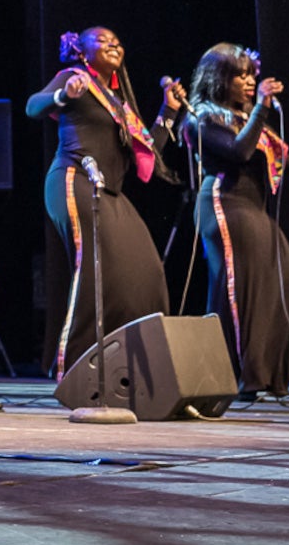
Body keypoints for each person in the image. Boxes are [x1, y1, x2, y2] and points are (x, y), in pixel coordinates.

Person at [27, 27, 186, 378]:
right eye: (103, 39)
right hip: (73, 179)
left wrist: (169, 111)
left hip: (108, 192)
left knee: (147, 273)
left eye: (117, 39)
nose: (114, 42)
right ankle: (74, 369)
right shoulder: (75, 77)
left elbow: (147, 152)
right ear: (81, 50)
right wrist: (62, 96)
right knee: (96, 272)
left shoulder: (116, 102)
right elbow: (33, 106)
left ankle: (133, 367)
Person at [183, 44, 289, 400]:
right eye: (239, 75)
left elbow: (276, 149)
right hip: (225, 201)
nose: (249, 82)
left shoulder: (247, 115)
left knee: (287, 282)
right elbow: (240, 151)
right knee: (243, 290)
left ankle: (273, 378)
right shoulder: (202, 115)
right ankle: (246, 380)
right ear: (218, 78)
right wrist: (263, 110)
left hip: (253, 207)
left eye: (251, 74)